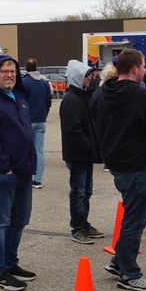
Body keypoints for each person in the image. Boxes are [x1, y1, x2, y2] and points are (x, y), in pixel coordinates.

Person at [91, 49, 146, 291]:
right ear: (136, 68)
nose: (144, 70)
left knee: (131, 214)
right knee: (135, 218)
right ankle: (129, 272)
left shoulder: (102, 92)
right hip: (136, 164)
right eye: (143, 65)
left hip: (116, 162)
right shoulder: (140, 95)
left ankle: (119, 261)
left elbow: (95, 118)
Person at [0, 54, 38, 291]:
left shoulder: (18, 98)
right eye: (5, 71)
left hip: (24, 170)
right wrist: (4, 165)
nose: (10, 75)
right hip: (4, 173)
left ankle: (11, 263)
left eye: (13, 71)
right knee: (0, 221)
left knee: (20, 219)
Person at [59, 59, 103, 244]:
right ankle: (77, 227)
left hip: (85, 154)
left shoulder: (82, 96)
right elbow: (73, 131)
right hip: (78, 155)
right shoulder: (71, 100)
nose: (90, 79)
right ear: (78, 78)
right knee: (78, 191)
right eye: (86, 76)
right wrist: (88, 147)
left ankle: (83, 223)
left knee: (86, 191)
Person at [20, 59, 53, 189]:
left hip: (27, 120)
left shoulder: (24, 82)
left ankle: (26, 176)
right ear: (37, 67)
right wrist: (44, 114)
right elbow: (48, 101)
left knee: (25, 150)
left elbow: (20, 101)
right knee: (39, 150)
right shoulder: (44, 83)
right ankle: (38, 180)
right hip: (41, 120)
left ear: (26, 68)